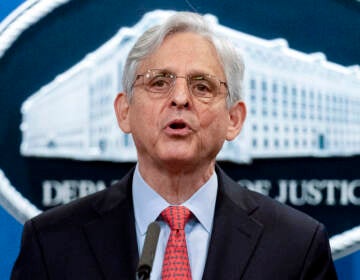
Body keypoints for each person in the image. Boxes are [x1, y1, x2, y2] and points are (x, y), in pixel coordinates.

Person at [11, 11, 337, 280]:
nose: (180, 99)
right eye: (158, 82)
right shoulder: (52, 243)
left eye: (202, 86)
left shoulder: (296, 245)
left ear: (234, 119)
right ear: (124, 111)